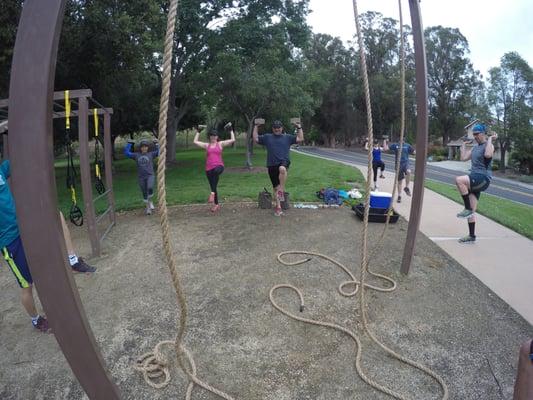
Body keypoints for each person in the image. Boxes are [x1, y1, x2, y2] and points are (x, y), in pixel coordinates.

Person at [0, 160, 96, 333]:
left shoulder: (1, 169)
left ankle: (72, 259)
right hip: (9, 241)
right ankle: (36, 319)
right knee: (27, 285)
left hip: (25, 227)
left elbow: (19, 155)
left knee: (55, 214)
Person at [454, 123, 497, 243]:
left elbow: (488, 154)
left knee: (459, 180)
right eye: (474, 135)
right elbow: (463, 158)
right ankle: (472, 236)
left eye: (477, 134)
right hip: (475, 178)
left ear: (483, 134)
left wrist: (489, 139)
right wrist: (463, 145)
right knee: (472, 212)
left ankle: (466, 208)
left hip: (482, 177)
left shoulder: (489, 145)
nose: (475, 137)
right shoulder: (474, 148)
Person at [253, 119, 304, 216]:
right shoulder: (267, 137)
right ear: (273, 129)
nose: (277, 129)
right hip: (271, 165)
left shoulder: (287, 137)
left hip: (283, 162)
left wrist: (299, 127)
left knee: (282, 169)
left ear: (282, 128)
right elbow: (256, 138)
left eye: (279, 128)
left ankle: (282, 188)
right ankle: (278, 208)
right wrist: (256, 126)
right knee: (276, 189)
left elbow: (300, 138)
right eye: (275, 128)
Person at [193, 125, 235, 212]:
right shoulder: (206, 145)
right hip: (208, 169)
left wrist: (231, 130)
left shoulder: (220, 144)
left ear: (217, 137)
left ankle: (212, 193)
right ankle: (216, 204)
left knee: (216, 172)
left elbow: (232, 140)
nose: (213, 137)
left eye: (214, 135)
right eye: (211, 135)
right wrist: (198, 131)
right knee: (213, 186)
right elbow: (195, 142)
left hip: (219, 166)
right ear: (210, 137)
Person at [124, 139, 159, 215]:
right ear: (140, 148)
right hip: (141, 177)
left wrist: (156, 143)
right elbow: (127, 153)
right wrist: (129, 144)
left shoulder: (151, 154)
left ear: (148, 147)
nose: (144, 148)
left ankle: (150, 201)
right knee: (144, 192)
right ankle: (148, 208)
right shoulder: (136, 155)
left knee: (150, 187)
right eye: (143, 147)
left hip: (150, 175)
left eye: (146, 146)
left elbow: (159, 152)